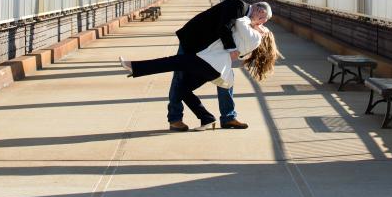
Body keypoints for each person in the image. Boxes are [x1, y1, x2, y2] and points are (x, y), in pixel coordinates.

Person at [120, 21, 282, 130]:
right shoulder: (248, 39)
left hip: (205, 60)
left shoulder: (253, 36)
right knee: (182, 87)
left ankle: (135, 67)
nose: (261, 23)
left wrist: (252, 15)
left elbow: (241, 21)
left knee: (175, 66)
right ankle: (207, 117)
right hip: (209, 61)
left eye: (263, 25)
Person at [168, 0, 272, 131]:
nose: (261, 22)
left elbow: (237, 37)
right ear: (259, 10)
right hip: (193, 40)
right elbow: (224, 27)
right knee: (179, 78)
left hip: (208, 49)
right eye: (263, 18)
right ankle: (175, 119)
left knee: (226, 78)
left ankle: (228, 118)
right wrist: (232, 49)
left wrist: (239, 48)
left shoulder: (245, 15)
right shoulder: (238, 6)